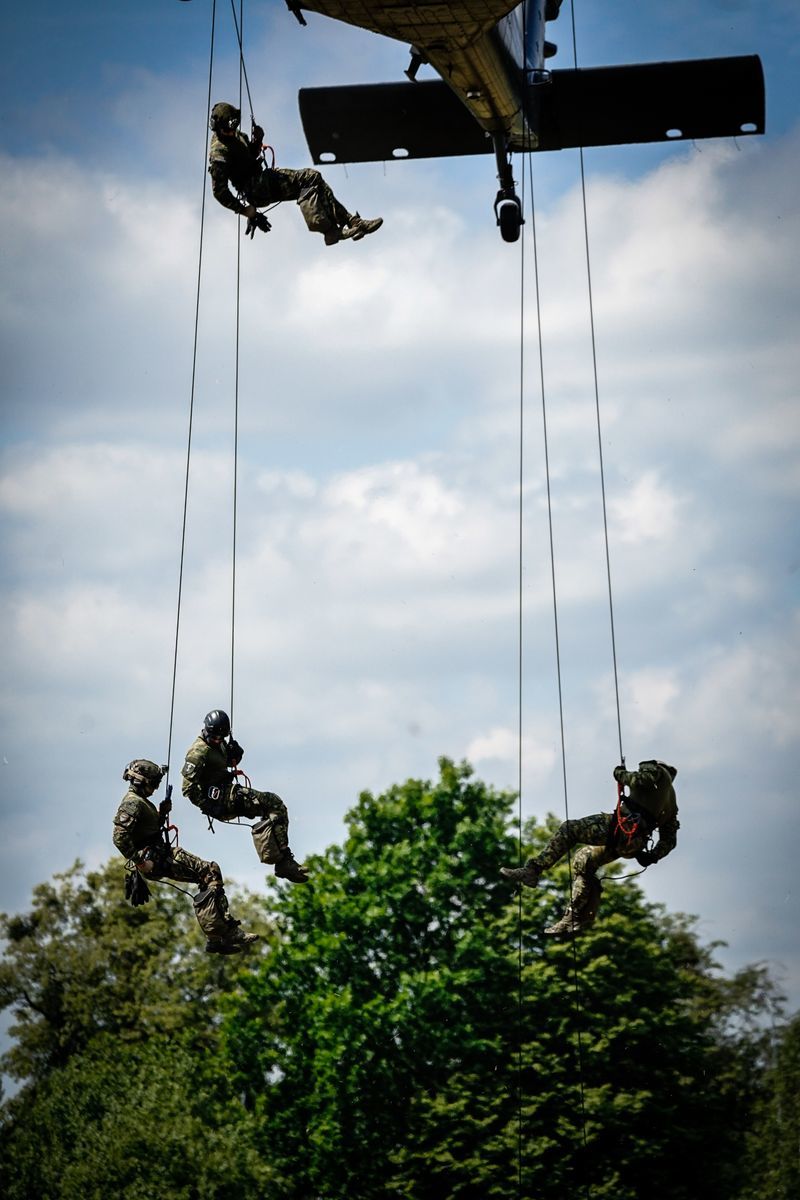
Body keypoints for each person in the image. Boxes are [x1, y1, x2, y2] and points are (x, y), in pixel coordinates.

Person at [500, 759, 679, 937]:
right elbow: (669, 839)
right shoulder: (671, 803)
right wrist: (654, 855)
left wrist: (619, 774)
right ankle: (573, 918)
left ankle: (532, 870)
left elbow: (639, 780)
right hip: (631, 845)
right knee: (583, 861)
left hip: (620, 828)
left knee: (570, 829)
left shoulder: (658, 773)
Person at [113, 759, 258, 955]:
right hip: (156, 858)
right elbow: (119, 837)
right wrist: (140, 861)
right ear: (141, 781)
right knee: (209, 871)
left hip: (158, 855)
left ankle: (216, 937)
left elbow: (144, 830)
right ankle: (225, 933)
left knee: (207, 875)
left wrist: (161, 815)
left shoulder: (139, 801)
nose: (155, 788)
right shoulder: (132, 804)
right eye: (153, 783)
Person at [208, 101, 383, 246]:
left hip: (263, 179)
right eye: (227, 130)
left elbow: (249, 155)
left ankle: (348, 223)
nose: (232, 132)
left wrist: (257, 141)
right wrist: (247, 211)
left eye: (233, 128)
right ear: (218, 127)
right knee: (308, 179)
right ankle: (332, 231)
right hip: (256, 188)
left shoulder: (234, 134)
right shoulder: (219, 153)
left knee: (313, 179)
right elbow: (219, 192)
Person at [181, 709, 309, 883]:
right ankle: (282, 861)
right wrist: (209, 807)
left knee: (274, 807)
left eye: (221, 738)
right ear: (206, 731)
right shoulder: (198, 752)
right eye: (214, 737)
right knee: (274, 803)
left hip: (228, 792)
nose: (218, 740)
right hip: (221, 800)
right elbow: (188, 788)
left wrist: (235, 754)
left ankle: (281, 858)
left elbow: (223, 763)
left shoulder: (219, 743)